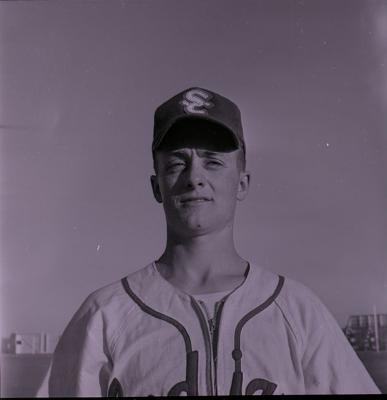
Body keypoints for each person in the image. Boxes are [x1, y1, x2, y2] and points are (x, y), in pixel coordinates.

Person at [47, 87, 380, 396]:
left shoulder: (299, 312)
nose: (195, 178)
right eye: (178, 163)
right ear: (156, 186)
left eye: (213, 162)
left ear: (243, 183)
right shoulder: (104, 316)